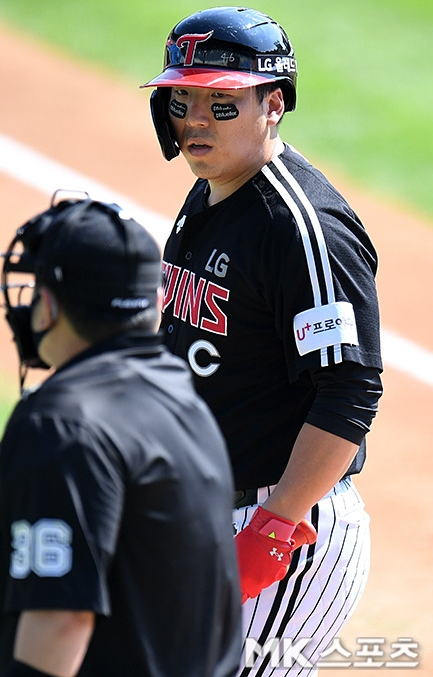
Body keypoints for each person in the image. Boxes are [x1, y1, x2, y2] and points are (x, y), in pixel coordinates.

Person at [0, 195, 242, 677]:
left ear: (51, 305)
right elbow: (117, 534)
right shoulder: (181, 399)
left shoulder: (61, 423)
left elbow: (63, 619)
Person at [141, 7, 383, 675]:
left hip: (284, 523)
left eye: (221, 103)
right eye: (182, 99)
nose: (194, 120)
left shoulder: (301, 228)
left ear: (272, 103)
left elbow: (350, 388)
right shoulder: (212, 190)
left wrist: (277, 525)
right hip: (210, 511)